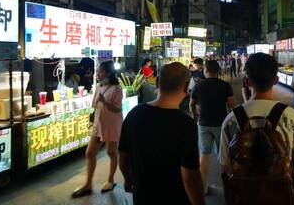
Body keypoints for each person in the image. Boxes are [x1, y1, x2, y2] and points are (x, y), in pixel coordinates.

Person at [220, 53, 294, 199]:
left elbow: (224, 170)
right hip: (280, 196)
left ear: (247, 81)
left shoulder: (231, 119)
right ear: (276, 80)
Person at [119, 62, 205, 205]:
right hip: (175, 197)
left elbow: (122, 154)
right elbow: (190, 177)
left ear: (157, 81)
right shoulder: (185, 124)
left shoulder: (134, 114)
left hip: (142, 196)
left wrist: (128, 179)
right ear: (186, 87)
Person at [72, 61, 123, 198]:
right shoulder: (99, 87)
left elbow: (117, 109)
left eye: (100, 71)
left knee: (111, 152)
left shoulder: (116, 89)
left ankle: (111, 180)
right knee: (90, 153)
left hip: (112, 124)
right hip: (99, 123)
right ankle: (88, 184)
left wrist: (104, 102)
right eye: (98, 71)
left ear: (108, 73)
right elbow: (95, 105)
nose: (97, 74)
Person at [189, 60, 235, 194]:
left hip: (203, 124)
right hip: (221, 124)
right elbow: (232, 105)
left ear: (206, 70)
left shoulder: (198, 85)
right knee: (223, 157)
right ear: (218, 70)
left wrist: (194, 116)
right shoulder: (225, 85)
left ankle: (203, 187)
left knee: (204, 155)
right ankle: (227, 187)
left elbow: (192, 104)